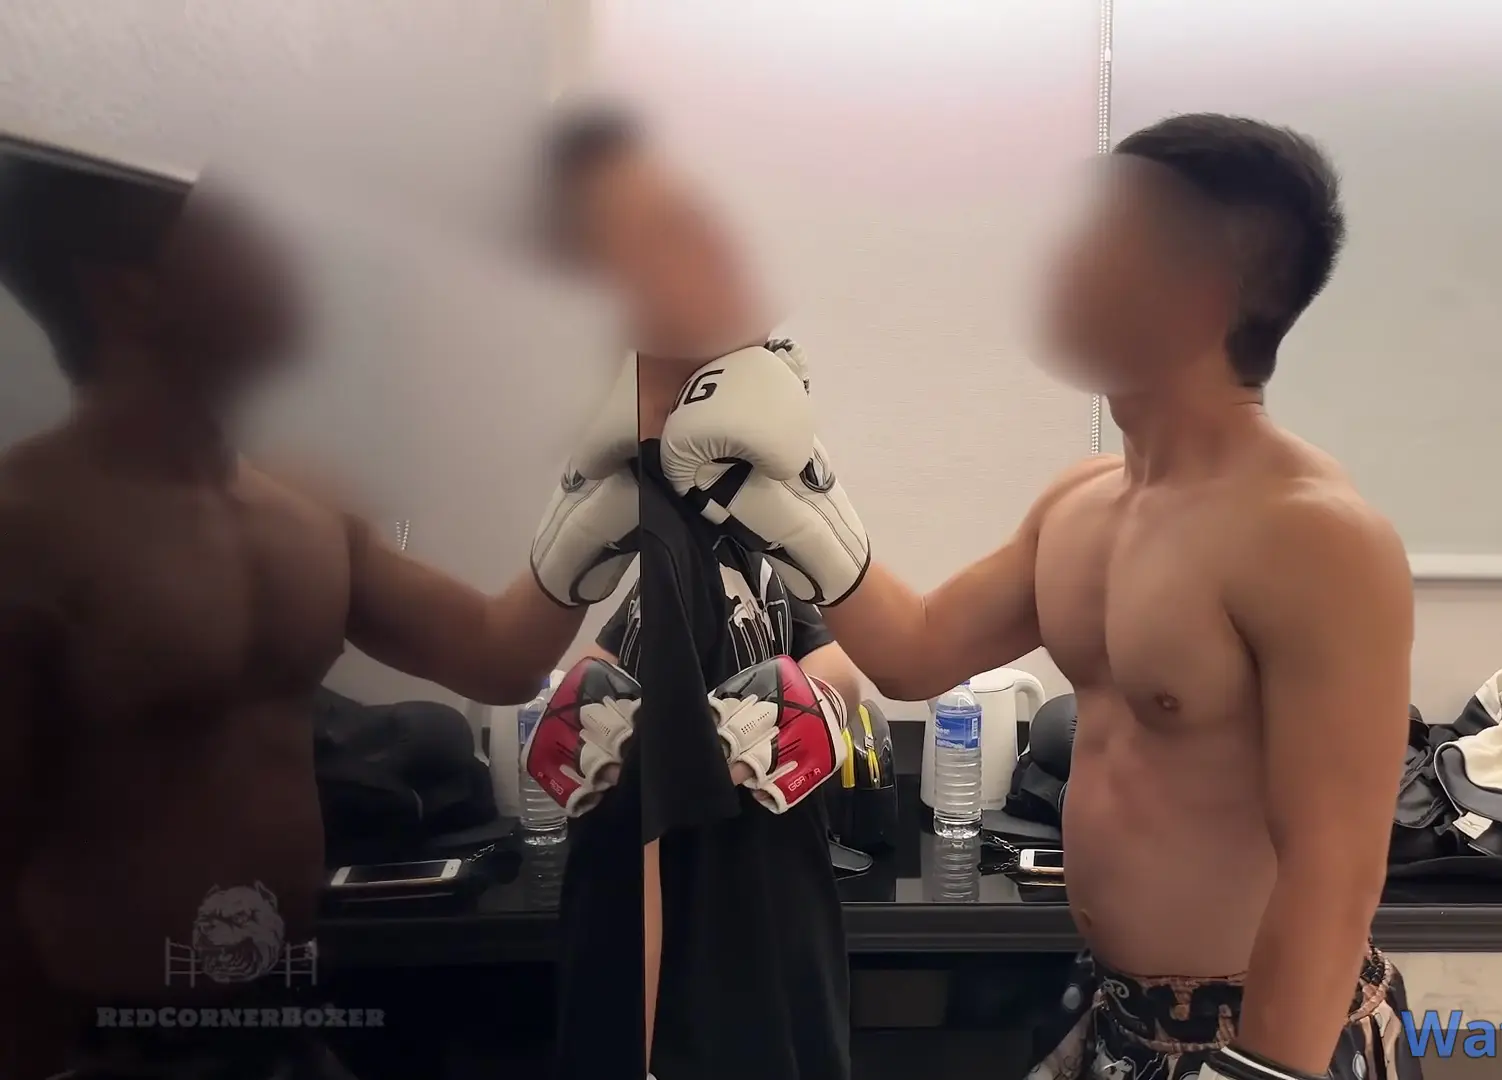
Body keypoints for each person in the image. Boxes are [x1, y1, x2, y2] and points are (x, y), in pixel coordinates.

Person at [657, 113, 1421, 1080]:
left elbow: (1335, 871)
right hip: (1117, 1020)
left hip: (1264, 1043)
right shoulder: (1083, 501)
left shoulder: (1317, 535)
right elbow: (915, 651)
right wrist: (784, 488)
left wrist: (1262, 1073)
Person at [0, 133, 649, 1079]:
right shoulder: (27, 529)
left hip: (292, 1029)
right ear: (126, 289)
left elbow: (498, 656)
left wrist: (615, 486)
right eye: (233, 232)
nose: (285, 252)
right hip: (111, 1050)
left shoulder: (304, 509)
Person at [526, 105, 864, 1080]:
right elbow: (642, 833)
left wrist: (808, 698)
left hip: (778, 903)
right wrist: (588, 701)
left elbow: (847, 653)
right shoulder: (645, 518)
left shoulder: (742, 508)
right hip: (699, 952)